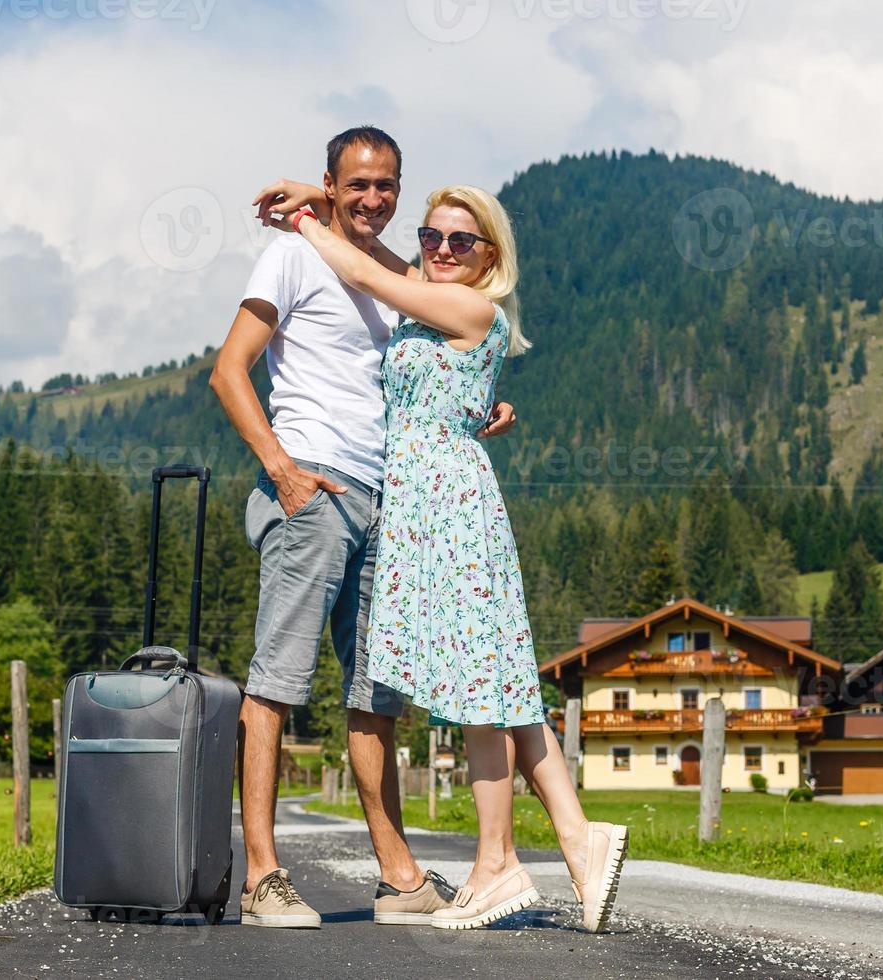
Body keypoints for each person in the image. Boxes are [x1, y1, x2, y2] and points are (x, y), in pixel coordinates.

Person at [252, 175, 628, 932]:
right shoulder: (430, 290)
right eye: (432, 238)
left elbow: (362, 269)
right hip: (422, 507)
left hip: (448, 509)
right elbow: (382, 260)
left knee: (481, 681)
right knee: (500, 678)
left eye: (462, 240)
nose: (442, 250)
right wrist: (326, 203)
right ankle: (579, 837)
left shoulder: (470, 306)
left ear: (491, 254)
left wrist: (305, 218)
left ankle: (499, 866)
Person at [210, 127, 517, 929]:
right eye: (356, 185)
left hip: (390, 506)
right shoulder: (290, 256)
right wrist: (280, 468)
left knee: (374, 697)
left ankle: (399, 876)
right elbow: (228, 368)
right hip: (312, 488)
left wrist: (484, 409)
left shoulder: (400, 274)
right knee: (276, 682)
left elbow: (438, 361)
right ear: (330, 185)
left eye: (387, 186)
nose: (373, 198)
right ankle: (263, 880)